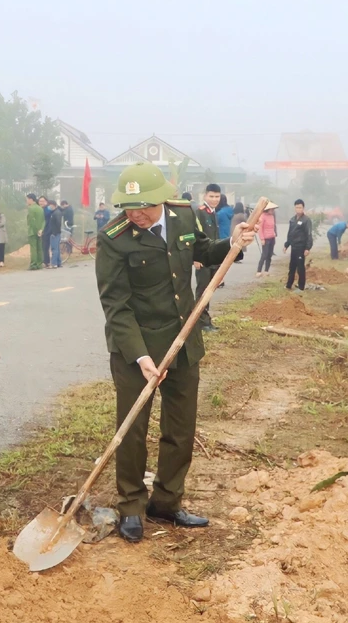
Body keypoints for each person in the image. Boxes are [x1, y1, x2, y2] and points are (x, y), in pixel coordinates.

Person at [95, 163, 255, 543]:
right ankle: (131, 505)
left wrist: (232, 244)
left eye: (145, 207)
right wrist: (140, 356)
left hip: (183, 341)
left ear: (163, 199)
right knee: (132, 431)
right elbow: (116, 305)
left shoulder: (183, 216)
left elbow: (203, 251)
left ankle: (167, 502)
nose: (137, 215)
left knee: (180, 428)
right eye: (130, 208)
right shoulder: (113, 237)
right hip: (136, 348)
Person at [194, 184, 223, 332]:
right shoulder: (200, 213)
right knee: (202, 291)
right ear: (205, 196)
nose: (214, 199)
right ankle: (201, 322)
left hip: (213, 258)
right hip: (203, 259)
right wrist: (196, 257)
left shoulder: (213, 212)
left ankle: (205, 320)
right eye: (211, 196)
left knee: (209, 290)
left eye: (217, 196)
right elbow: (195, 235)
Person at [283, 199, 313, 291]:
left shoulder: (306, 220)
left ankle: (301, 287)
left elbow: (309, 234)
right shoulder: (292, 220)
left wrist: (307, 248)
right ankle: (289, 284)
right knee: (292, 266)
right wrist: (286, 245)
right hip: (294, 247)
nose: (298, 209)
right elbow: (290, 234)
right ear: (294, 208)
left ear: (303, 208)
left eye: (300, 207)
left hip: (301, 247)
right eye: (297, 207)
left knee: (300, 268)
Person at [256, 202, 278, 276]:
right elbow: (260, 228)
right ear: (268, 209)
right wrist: (262, 239)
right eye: (271, 209)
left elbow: (273, 226)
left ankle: (266, 270)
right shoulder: (262, 216)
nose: (273, 211)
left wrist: (275, 234)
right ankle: (259, 271)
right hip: (266, 238)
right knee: (264, 255)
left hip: (272, 237)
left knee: (269, 255)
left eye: (273, 209)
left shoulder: (272, 216)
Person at [25, 194, 44, 270]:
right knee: (39, 248)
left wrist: (35, 230)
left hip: (33, 231)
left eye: (27, 199)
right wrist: (41, 230)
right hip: (40, 231)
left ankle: (33, 264)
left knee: (33, 248)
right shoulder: (40, 208)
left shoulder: (31, 208)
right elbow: (43, 220)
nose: (26, 201)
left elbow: (32, 221)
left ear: (31, 199)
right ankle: (39, 264)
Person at [45, 199, 64, 269]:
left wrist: (54, 233)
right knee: (57, 248)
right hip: (56, 233)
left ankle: (54, 263)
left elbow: (58, 224)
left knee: (54, 248)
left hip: (54, 233)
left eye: (49, 205)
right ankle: (59, 263)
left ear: (53, 205)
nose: (48, 207)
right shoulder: (55, 212)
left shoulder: (56, 213)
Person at [39, 196, 52, 269]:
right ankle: (45, 261)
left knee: (45, 246)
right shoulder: (40, 209)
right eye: (40, 201)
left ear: (46, 202)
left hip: (48, 229)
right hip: (42, 230)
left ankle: (47, 262)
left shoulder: (48, 209)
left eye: (43, 201)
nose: (41, 202)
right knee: (43, 246)